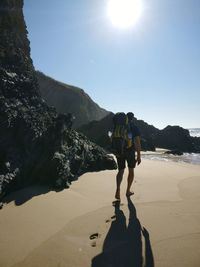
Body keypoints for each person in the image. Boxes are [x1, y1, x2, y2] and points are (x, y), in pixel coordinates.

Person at [115, 112, 141, 200]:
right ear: (132, 118)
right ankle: (128, 191)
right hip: (130, 151)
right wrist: (139, 156)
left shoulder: (118, 126)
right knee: (131, 171)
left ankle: (118, 189)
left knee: (121, 171)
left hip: (119, 150)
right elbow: (137, 142)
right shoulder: (134, 127)